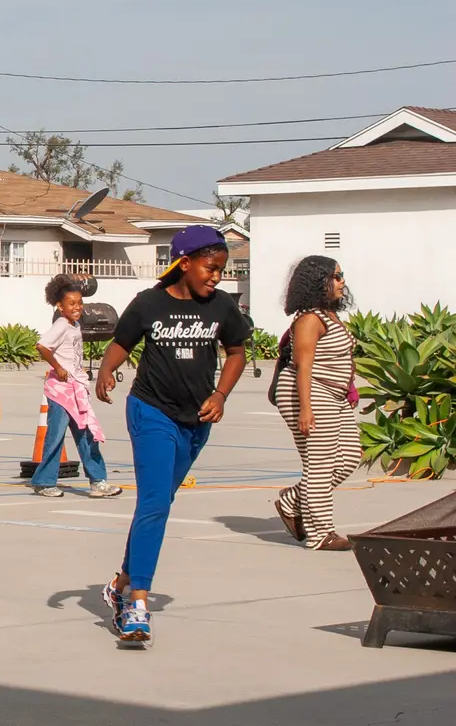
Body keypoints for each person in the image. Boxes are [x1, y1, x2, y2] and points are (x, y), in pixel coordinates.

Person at [96, 225, 250, 642]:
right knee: (153, 503)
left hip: (197, 420)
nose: (216, 276)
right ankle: (138, 604)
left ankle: (121, 583)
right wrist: (107, 369)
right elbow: (121, 343)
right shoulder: (148, 303)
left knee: (159, 502)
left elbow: (236, 352)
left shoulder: (222, 308)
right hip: (151, 412)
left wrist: (221, 394)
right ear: (185, 263)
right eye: (210, 267)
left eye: (221, 269)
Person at [274, 255, 360, 551]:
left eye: (341, 275)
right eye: (336, 276)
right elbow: (303, 365)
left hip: (335, 395)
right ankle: (320, 533)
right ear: (318, 281)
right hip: (311, 391)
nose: (342, 281)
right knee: (320, 465)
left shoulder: (329, 314)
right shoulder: (310, 318)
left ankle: (291, 501)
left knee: (349, 456)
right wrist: (306, 408)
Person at [32, 274, 122, 499]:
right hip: (60, 391)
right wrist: (58, 367)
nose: (77, 307)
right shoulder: (61, 324)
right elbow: (42, 346)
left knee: (87, 434)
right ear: (60, 306)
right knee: (55, 436)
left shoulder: (75, 325)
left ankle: (98, 481)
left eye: (80, 303)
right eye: (72, 304)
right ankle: (44, 481)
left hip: (76, 389)